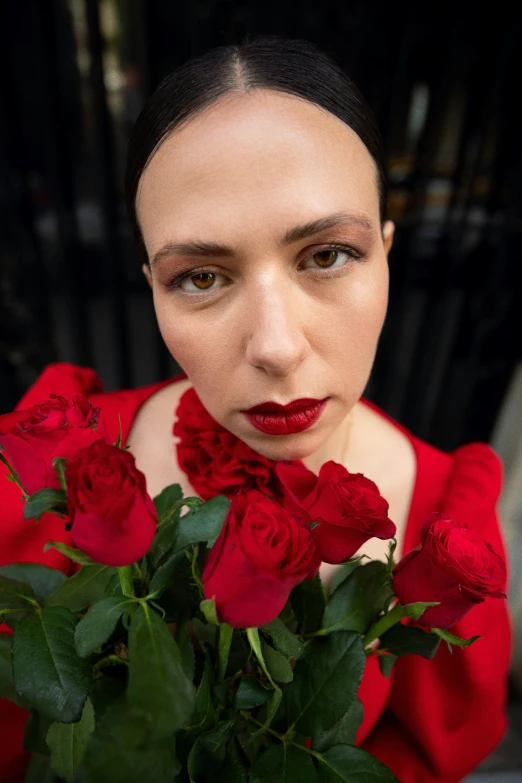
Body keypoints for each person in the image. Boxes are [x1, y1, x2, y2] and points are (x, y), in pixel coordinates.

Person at [0, 35, 512, 782]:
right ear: (150, 284)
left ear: (388, 253)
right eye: (201, 276)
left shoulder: (449, 532)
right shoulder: (44, 467)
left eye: (327, 254)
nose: (275, 347)